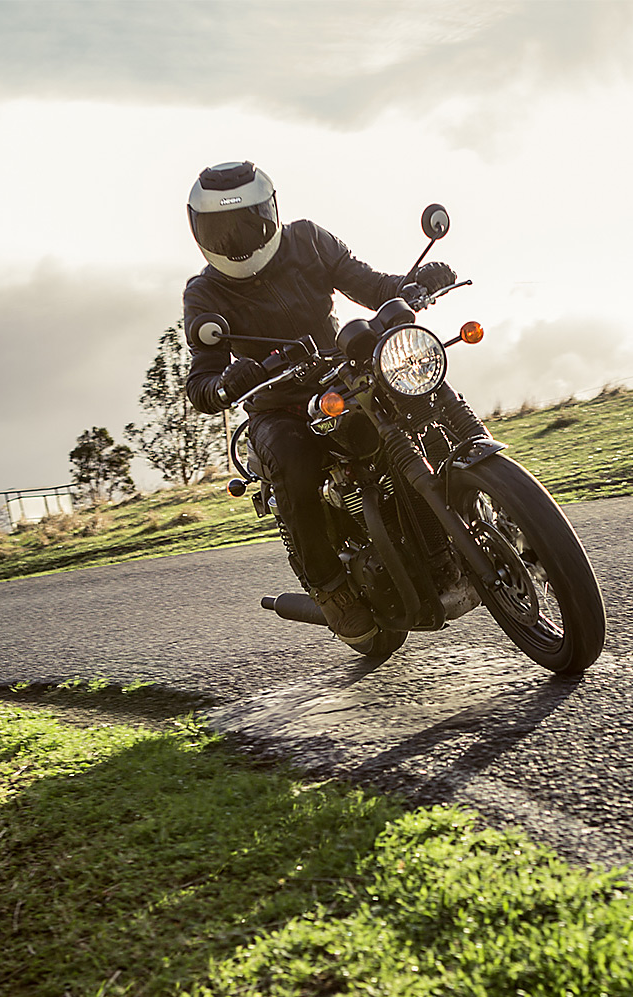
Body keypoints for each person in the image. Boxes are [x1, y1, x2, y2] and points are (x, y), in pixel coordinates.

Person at [182, 160, 455, 645]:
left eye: (248, 223)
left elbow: (369, 284)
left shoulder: (308, 240)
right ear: (199, 230)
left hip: (345, 374)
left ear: (271, 212)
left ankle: (486, 500)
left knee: (420, 396)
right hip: (278, 405)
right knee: (293, 464)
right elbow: (201, 381)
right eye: (222, 230)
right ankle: (330, 587)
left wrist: (412, 285)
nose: (237, 240)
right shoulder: (204, 293)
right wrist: (227, 381)